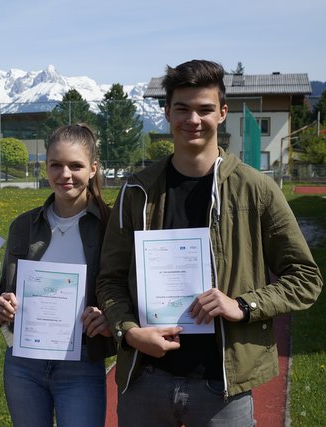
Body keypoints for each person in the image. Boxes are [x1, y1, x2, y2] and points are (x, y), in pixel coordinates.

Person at [96, 59, 323, 426]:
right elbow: (111, 278)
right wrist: (130, 332)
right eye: (182, 108)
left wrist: (244, 305)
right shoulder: (136, 190)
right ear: (167, 112)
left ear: (222, 113)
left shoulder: (256, 189)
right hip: (145, 379)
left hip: (222, 386)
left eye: (204, 109)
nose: (193, 119)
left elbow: (305, 279)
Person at [0, 124, 116, 427]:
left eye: (76, 165)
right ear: (45, 166)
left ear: (93, 168)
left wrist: (109, 317)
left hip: (82, 364)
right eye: (56, 165)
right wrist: (1, 306)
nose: (65, 174)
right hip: (24, 364)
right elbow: (5, 297)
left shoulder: (111, 226)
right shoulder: (23, 225)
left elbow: (124, 290)